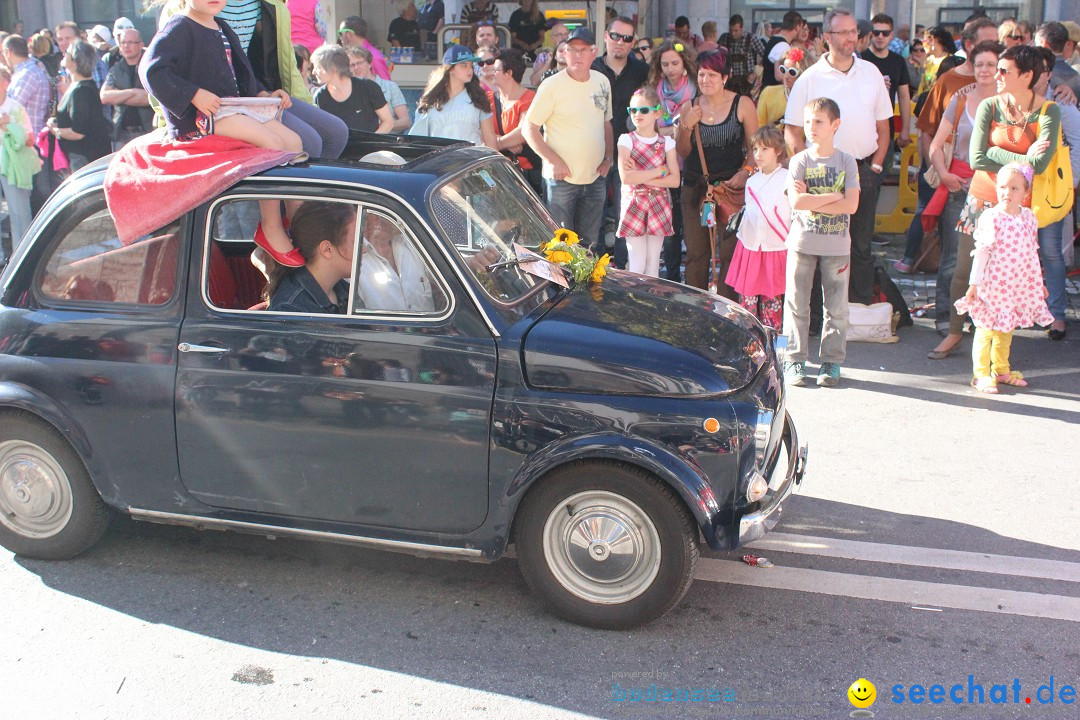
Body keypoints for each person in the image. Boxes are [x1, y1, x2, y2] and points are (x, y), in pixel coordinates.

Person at [953, 45, 1062, 352]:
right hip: (981, 199)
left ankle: (997, 353)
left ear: (1027, 75)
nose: (996, 75)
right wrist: (1023, 156)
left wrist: (999, 154)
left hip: (1018, 208)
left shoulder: (1048, 110)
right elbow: (976, 157)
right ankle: (953, 332)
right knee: (964, 269)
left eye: (1004, 70)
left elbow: (1039, 165)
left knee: (1009, 278)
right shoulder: (989, 105)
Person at [784, 8, 892, 307]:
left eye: (853, 32)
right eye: (843, 32)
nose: (850, 38)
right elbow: (792, 129)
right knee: (820, 245)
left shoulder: (871, 72)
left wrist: (876, 166)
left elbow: (884, 126)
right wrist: (802, 170)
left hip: (863, 168)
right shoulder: (809, 78)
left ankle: (857, 311)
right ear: (827, 37)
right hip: (820, 173)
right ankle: (818, 316)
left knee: (860, 245)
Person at [922, 41, 1002, 359]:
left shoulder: (1010, 104)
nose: (984, 70)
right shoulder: (959, 98)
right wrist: (943, 173)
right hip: (962, 190)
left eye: (991, 65)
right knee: (958, 263)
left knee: (997, 269)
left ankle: (992, 337)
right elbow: (936, 145)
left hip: (999, 196)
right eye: (979, 64)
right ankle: (953, 327)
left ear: (1001, 70)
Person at [141, 0, 302, 153]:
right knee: (273, 143)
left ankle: (286, 182)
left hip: (232, 109)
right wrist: (194, 95)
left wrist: (265, 95)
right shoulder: (178, 27)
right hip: (201, 119)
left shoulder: (223, 27)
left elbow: (241, 74)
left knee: (293, 142)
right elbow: (152, 71)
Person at [954, 163, 1054, 393]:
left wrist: (1039, 284)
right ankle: (980, 374)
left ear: (1026, 192)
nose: (1007, 193)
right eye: (1002, 187)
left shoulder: (1029, 217)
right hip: (993, 284)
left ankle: (1001, 370)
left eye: (1014, 188)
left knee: (1006, 329)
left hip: (1014, 285)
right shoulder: (992, 217)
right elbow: (982, 252)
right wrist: (974, 284)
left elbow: (1031, 253)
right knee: (986, 329)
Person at [782, 98, 860, 388]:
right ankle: (794, 360)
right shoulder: (799, 160)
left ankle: (832, 361)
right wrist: (834, 197)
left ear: (835, 125)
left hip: (837, 246)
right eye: (807, 122)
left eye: (818, 122)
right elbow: (797, 201)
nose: (811, 128)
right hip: (802, 242)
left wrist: (816, 201)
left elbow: (852, 205)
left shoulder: (846, 161)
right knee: (796, 305)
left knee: (836, 308)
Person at [215, 0, 348, 160]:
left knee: (336, 132)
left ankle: (315, 183)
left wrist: (264, 92)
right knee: (309, 142)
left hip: (254, 88)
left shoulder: (271, 5)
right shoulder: (205, 6)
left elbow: (277, 59)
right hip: (223, 101)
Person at [522, 27, 612, 261]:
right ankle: (562, 296)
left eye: (584, 50)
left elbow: (607, 123)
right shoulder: (551, 85)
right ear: (564, 52)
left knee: (590, 246)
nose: (578, 55)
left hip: (595, 178)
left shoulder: (602, 81)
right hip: (561, 181)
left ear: (594, 52)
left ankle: (586, 294)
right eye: (572, 50)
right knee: (561, 249)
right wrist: (554, 161)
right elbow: (529, 128)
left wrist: (608, 159)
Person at [676, 48, 758, 294]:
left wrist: (745, 171)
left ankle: (727, 308)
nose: (706, 81)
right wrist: (686, 125)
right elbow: (682, 151)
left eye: (712, 75)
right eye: (701, 75)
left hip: (730, 190)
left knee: (730, 252)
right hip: (695, 189)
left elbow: (756, 148)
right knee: (696, 253)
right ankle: (696, 306)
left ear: (725, 77)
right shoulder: (689, 107)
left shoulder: (742, 104)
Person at [592, 16, 649, 267]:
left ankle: (623, 272)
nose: (620, 42)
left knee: (626, 217)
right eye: (615, 36)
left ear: (633, 42)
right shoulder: (591, 68)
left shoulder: (642, 71)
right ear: (606, 36)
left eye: (626, 38)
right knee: (595, 216)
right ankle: (593, 269)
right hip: (595, 152)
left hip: (631, 154)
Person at [726, 126, 789, 330]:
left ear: (778, 151)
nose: (758, 155)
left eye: (765, 149)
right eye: (755, 149)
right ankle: (751, 344)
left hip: (776, 245)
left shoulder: (788, 178)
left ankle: (772, 343)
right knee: (748, 304)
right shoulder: (751, 181)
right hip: (751, 247)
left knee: (773, 304)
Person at [616, 86, 680, 277]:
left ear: (656, 113)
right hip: (635, 204)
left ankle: (649, 304)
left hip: (658, 204)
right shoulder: (626, 139)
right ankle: (634, 304)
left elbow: (675, 180)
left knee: (653, 265)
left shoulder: (666, 142)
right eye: (633, 110)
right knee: (636, 263)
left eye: (643, 110)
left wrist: (641, 176)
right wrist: (659, 171)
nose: (637, 114)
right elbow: (626, 178)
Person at [648, 39, 696, 281]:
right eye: (665, 64)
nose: (670, 69)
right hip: (662, 163)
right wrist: (675, 130)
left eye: (675, 63)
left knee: (688, 223)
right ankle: (671, 277)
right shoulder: (654, 90)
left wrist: (668, 131)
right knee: (669, 227)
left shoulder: (695, 90)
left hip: (690, 162)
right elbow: (651, 128)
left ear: (685, 63)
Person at [267, 201, 354, 314]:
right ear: (327, 249)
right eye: (355, 242)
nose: (364, 250)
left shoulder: (344, 289)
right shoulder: (291, 309)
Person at [410, 44, 497, 148]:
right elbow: (417, 142)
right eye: (464, 65)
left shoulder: (478, 98)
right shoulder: (430, 103)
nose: (469, 69)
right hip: (439, 162)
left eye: (471, 65)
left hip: (471, 161)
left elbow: (490, 138)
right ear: (450, 69)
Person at [45, 41, 111, 170]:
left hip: (84, 158)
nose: (64, 54)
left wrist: (55, 130)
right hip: (81, 155)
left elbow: (78, 132)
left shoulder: (81, 91)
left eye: (67, 53)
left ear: (75, 62)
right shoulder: (77, 86)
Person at [358, 212, 436, 312]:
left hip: (428, 326)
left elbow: (445, 275)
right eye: (379, 215)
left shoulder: (412, 245)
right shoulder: (355, 258)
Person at [0, 66, 40, 255]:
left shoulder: (15, 108)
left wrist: (9, 125)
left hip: (12, 167)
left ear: (7, 83)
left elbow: (30, 139)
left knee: (19, 214)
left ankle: (22, 256)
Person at [861, 14, 913, 156]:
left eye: (885, 33)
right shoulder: (861, 58)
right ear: (871, 34)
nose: (880, 37)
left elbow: (903, 96)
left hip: (886, 128)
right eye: (876, 32)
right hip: (861, 127)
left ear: (891, 35)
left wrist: (905, 129)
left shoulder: (898, 61)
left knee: (881, 173)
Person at [490, 48, 541, 193]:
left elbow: (523, 132)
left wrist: (495, 143)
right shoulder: (489, 100)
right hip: (498, 171)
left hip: (525, 174)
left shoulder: (529, 98)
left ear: (509, 73)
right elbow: (479, 129)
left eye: (496, 70)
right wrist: (506, 143)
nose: (492, 73)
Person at [312, 45, 392, 134]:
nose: (313, 72)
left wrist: (372, 142)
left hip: (369, 145)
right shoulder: (320, 96)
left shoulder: (368, 88)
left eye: (318, 68)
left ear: (333, 68)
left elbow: (388, 121)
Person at [101, 28, 154, 151]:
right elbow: (105, 97)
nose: (126, 46)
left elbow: (152, 98)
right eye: (123, 42)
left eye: (131, 42)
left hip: (147, 130)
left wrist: (119, 97)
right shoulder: (115, 70)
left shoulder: (150, 67)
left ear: (141, 45)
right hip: (121, 133)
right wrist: (133, 92)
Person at [348, 47, 411, 133]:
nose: (356, 67)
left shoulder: (390, 87)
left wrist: (383, 125)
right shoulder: (348, 90)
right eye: (352, 65)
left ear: (370, 64)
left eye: (359, 63)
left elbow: (406, 122)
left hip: (388, 141)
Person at [756, 46, 809, 128]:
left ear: (804, 73)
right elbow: (759, 125)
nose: (786, 76)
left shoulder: (810, 100)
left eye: (792, 72)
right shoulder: (768, 93)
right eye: (783, 70)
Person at [718, 14, 764, 94]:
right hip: (729, 81)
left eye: (736, 31)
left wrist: (756, 73)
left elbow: (765, 55)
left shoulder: (751, 38)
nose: (733, 34)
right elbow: (717, 56)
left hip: (747, 80)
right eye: (731, 30)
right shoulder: (724, 38)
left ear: (742, 28)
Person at [762, 11, 803, 89]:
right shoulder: (783, 46)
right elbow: (779, 75)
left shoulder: (775, 40)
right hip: (774, 94)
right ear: (797, 27)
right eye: (801, 27)